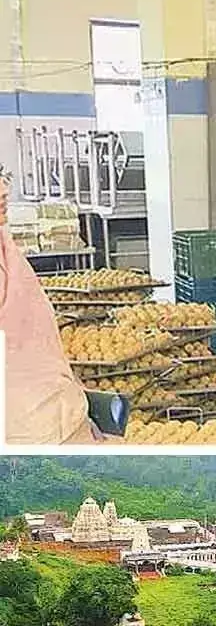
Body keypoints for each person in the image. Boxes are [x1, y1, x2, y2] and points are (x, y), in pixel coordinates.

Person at [1, 175, 94, 445]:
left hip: (60, 412)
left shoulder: (7, 249)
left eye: (3, 174)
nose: (4, 189)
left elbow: (36, 336)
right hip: (22, 432)